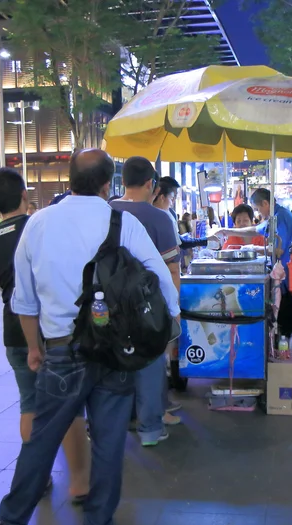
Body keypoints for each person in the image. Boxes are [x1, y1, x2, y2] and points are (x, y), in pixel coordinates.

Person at [0, 149, 179, 525]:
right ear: (108, 185)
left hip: (61, 350)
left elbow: (24, 300)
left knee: (42, 438)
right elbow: (163, 285)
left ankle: (12, 524)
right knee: (108, 443)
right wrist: (170, 331)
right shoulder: (122, 222)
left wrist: (35, 348)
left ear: (68, 178)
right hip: (114, 353)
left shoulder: (38, 223)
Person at [0, 168, 90, 498]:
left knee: (29, 404)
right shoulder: (40, 226)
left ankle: (38, 477)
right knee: (69, 404)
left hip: (14, 330)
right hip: (52, 327)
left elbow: (3, 283)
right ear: (23, 196)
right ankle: (80, 484)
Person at [111, 157, 181, 445]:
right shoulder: (159, 217)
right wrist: (173, 309)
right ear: (152, 184)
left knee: (116, 361)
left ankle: (122, 419)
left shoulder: (108, 209)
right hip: (148, 304)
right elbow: (171, 268)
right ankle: (150, 429)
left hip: (111, 302)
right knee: (150, 362)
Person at [215, 188, 292, 335]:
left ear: (265, 203)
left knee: (284, 319)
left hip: (287, 275)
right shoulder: (274, 216)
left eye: (258, 209)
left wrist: (252, 248)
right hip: (283, 274)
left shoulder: (280, 217)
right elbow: (254, 230)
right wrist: (227, 231)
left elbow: (278, 249)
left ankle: (283, 348)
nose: (259, 214)